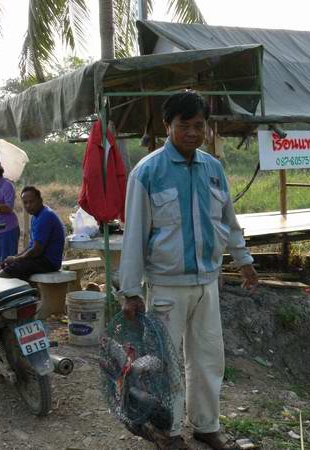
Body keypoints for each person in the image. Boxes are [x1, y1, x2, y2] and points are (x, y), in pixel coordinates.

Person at [120, 90, 259, 450]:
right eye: (185, 125)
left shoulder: (213, 169)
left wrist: (244, 262)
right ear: (168, 125)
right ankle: (167, 432)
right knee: (164, 361)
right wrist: (130, 290)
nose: (193, 132)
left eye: (199, 125)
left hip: (207, 283)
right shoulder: (147, 172)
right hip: (166, 286)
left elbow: (229, 222)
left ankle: (206, 425)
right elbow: (134, 235)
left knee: (209, 358)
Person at [0, 186, 65, 281]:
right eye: (25, 203)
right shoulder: (36, 216)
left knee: (3, 274)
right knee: (7, 266)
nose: (28, 205)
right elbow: (31, 246)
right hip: (40, 259)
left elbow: (37, 250)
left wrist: (16, 259)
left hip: (49, 262)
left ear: (40, 200)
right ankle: (30, 293)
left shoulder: (45, 216)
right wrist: (15, 257)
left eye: (31, 201)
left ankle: (24, 295)